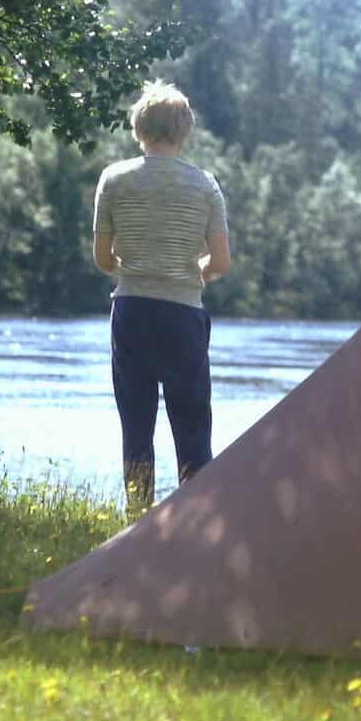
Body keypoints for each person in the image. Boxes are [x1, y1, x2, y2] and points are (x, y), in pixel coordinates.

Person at [92, 80, 231, 514]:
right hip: (184, 314)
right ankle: (196, 521)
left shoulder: (113, 179)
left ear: (138, 128)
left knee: (136, 421)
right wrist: (196, 275)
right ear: (184, 130)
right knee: (192, 422)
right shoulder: (205, 186)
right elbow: (222, 262)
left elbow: (102, 258)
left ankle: (137, 522)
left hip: (131, 310)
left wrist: (136, 270)